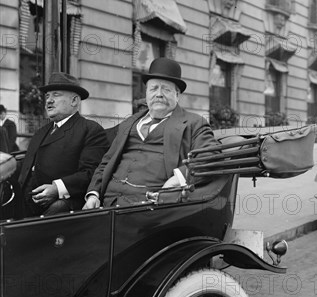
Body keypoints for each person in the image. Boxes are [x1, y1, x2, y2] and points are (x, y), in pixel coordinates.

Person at [83, 58, 218, 209]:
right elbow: (107, 161)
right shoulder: (129, 123)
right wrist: (93, 194)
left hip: (152, 209)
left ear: (177, 94)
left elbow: (210, 158)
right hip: (108, 205)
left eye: (166, 89)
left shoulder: (194, 123)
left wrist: (178, 179)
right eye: (153, 89)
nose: (159, 94)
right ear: (146, 93)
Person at [19, 72, 109, 217]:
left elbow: (91, 173)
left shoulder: (90, 130)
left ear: (74, 101)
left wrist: (57, 188)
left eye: (56, 95)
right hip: (25, 203)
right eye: (47, 96)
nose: (49, 100)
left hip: (61, 206)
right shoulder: (41, 132)